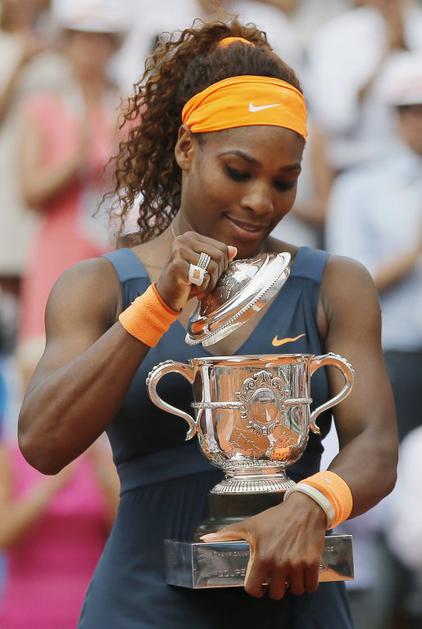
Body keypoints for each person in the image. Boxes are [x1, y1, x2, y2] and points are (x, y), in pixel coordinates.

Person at [17, 20, 397, 628]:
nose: (261, 201)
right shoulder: (98, 286)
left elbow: (375, 445)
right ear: (186, 149)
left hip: (298, 602)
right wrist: (157, 306)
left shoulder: (337, 283)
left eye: (284, 181)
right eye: (239, 172)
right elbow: (43, 442)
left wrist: (312, 503)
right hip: (143, 605)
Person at [16, 5, 125, 384]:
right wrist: (74, 160)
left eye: (99, 40)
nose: (90, 49)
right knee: (43, 366)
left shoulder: (128, 109)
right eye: (81, 39)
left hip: (112, 251)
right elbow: (30, 192)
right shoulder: (42, 109)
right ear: (67, 45)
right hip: (58, 252)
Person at [326, 50, 422, 442]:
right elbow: (348, 284)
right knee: (389, 459)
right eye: (411, 111)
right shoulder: (359, 187)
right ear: (395, 116)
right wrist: (412, 255)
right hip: (394, 352)